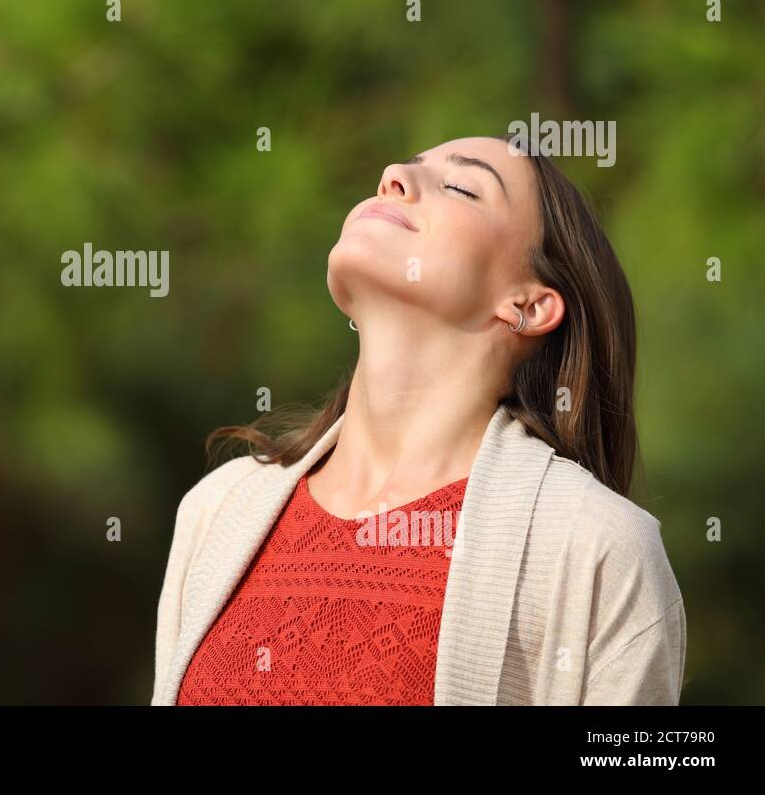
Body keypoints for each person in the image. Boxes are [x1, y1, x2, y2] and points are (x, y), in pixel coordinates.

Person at [152, 135, 686, 705]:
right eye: (403, 168)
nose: (391, 177)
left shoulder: (598, 550)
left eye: (460, 186)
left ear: (528, 305)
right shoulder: (217, 510)